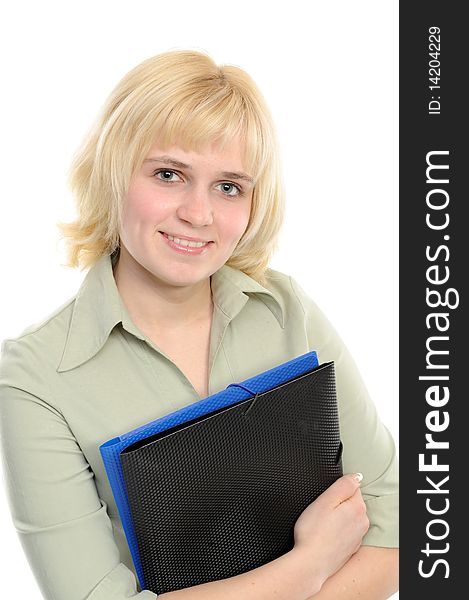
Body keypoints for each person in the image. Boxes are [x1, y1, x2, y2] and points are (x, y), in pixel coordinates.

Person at [0, 50, 398, 599]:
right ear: (113, 173)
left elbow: (399, 524)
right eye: (169, 174)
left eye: (229, 186)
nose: (199, 213)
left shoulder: (287, 311)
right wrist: (309, 565)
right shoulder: (35, 377)